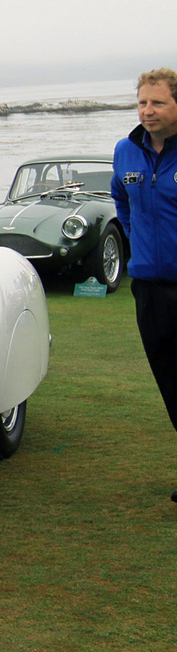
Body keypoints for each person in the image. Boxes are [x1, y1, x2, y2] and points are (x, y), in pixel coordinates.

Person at [110, 68, 177, 504]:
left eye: (158, 102)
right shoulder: (125, 151)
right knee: (171, 383)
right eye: (141, 103)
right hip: (149, 289)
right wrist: (136, 239)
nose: (147, 111)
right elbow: (120, 196)